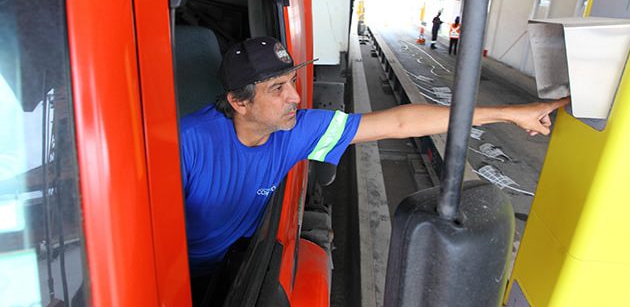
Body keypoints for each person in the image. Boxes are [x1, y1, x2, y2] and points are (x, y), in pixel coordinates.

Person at [180, 36, 568, 302]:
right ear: (239, 102)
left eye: (292, 81)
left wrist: (508, 114)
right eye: (277, 89)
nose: (295, 97)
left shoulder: (297, 129)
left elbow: (399, 123)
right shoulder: (188, 143)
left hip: (237, 267)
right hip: (181, 275)